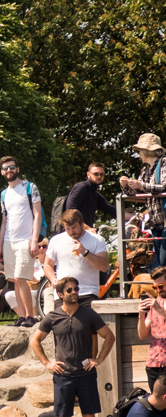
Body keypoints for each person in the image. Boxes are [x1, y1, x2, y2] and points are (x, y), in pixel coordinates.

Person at [29, 276, 116, 417]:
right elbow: (35, 341)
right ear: (60, 294)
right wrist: (47, 363)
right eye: (70, 290)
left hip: (86, 374)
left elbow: (109, 337)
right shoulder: (52, 316)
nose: (75, 292)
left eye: (76, 288)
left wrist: (98, 360)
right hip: (63, 376)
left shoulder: (89, 314)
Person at [0, 156, 42, 328]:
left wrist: (34, 240)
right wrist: (0, 244)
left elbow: (37, 214)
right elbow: (4, 221)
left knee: (20, 278)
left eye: (12, 167)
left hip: (25, 239)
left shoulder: (29, 187)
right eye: (5, 168)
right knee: (14, 280)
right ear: (2, 172)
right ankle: (22, 316)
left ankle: (30, 316)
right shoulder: (4, 194)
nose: (9, 170)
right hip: (8, 241)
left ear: (17, 169)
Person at [44, 209, 109, 309]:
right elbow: (48, 264)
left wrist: (85, 252)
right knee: (61, 319)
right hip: (63, 294)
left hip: (87, 292)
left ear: (82, 224)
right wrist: (52, 278)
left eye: (74, 227)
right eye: (67, 229)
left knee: (86, 319)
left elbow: (104, 267)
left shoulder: (97, 240)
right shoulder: (56, 240)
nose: (71, 232)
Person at [121, 134, 166, 269]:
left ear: (147, 150)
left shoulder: (164, 162)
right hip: (155, 222)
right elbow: (137, 192)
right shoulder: (145, 169)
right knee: (160, 263)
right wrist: (125, 185)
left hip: (165, 221)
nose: (138, 153)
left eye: (139, 150)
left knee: (163, 261)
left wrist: (142, 185)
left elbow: (164, 186)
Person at [64, 163, 116, 228]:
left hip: (85, 232)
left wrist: (128, 215)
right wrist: (88, 228)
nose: (99, 176)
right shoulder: (81, 187)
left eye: (101, 174)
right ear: (88, 175)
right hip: (73, 232)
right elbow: (69, 213)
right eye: (96, 174)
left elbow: (111, 210)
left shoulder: (94, 193)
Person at [139, 267, 166, 391]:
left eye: (161, 286)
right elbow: (142, 335)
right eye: (155, 287)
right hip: (153, 363)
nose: (158, 290)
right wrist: (141, 315)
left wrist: (158, 309)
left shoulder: (156, 306)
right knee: (155, 401)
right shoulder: (155, 304)